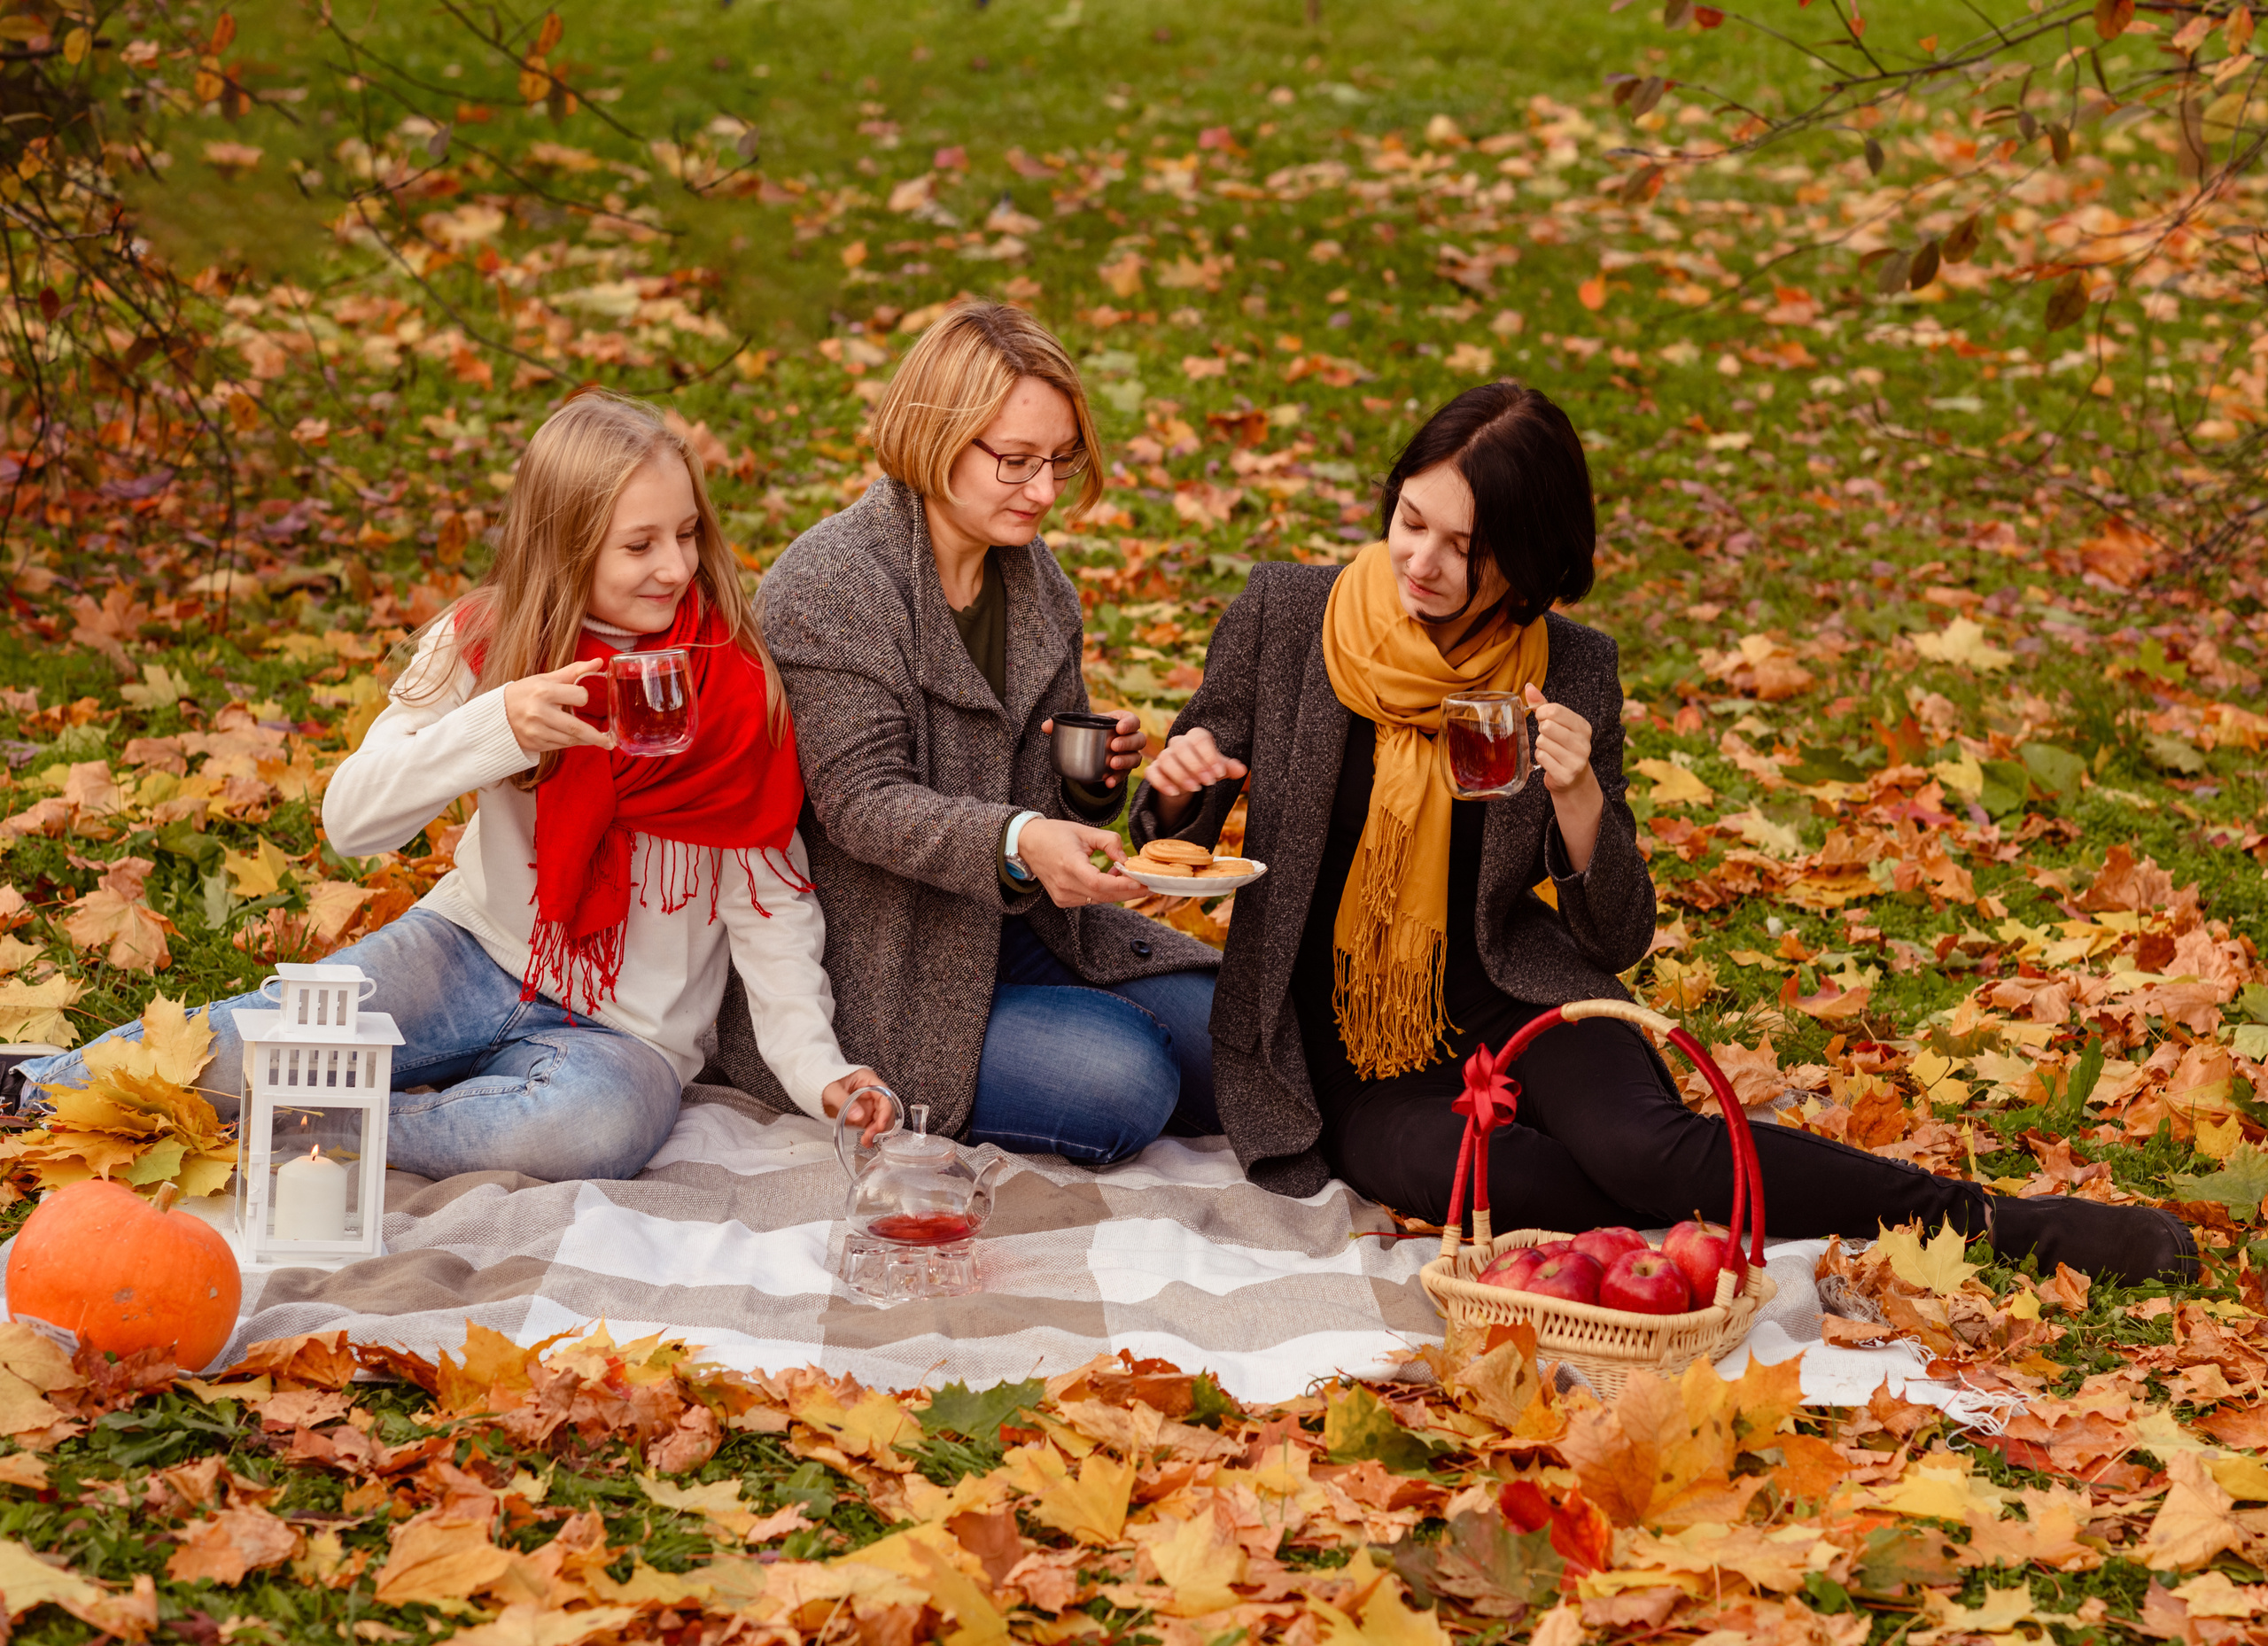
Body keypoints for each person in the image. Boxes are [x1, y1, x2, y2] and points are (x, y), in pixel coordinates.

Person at [1129, 380, 2194, 1285]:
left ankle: (1991, 1221)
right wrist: (1180, 787)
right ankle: (1726, 1193)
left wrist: (1579, 799)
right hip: (1348, 1047)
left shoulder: (1570, 666)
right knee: (1500, 1180)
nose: (1422, 562)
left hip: (1512, 989)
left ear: (1529, 563)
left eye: (1467, 548)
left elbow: (1616, 934)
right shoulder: (1286, 616)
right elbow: (1170, 825)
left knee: (1643, 1147)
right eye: (1411, 521)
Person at [19, 391, 886, 1182]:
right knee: (266, 1038)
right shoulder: (486, 644)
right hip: (467, 952)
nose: (675, 567)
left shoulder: (735, 684)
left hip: (627, 1035)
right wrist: (497, 726)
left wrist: (817, 1068)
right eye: (639, 544)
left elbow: (770, 906)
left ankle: (314, 1127)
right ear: (565, 542)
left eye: (687, 533)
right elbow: (352, 822)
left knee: (592, 1132)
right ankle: (34, 1086)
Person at [704, 301, 1221, 1164]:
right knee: (1128, 1081)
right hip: (882, 966)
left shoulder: (1038, 582)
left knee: (1237, 1037)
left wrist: (1100, 783)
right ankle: (1089, 1039)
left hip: (1021, 927)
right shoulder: (833, 583)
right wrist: (1018, 839)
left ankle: (1093, 1025)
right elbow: (861, 802)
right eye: (1016, 461)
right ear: (936, 436)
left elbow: (1049, 802)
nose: (1045, 491)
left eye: (1061, 460)